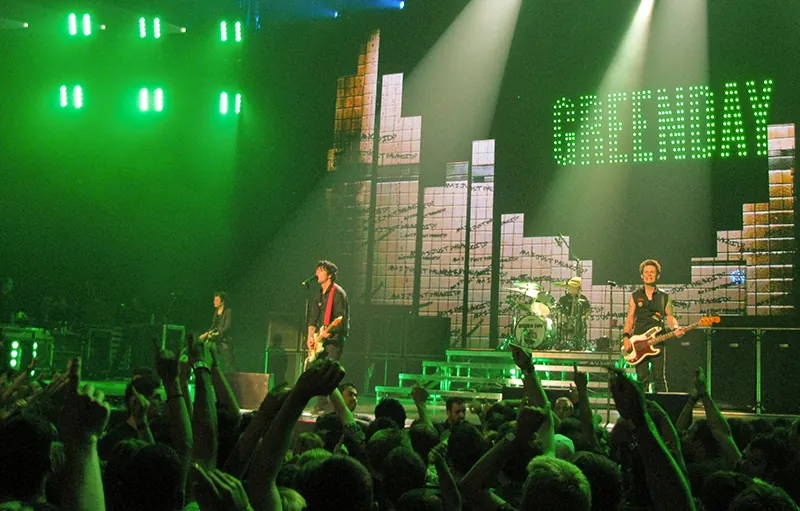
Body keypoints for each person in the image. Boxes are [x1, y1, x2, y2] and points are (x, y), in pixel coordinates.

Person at [622, 259, 683, 393]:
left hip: (658, 341)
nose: (649, 275)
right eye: (646, 272)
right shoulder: (635, 296)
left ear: (657, 275)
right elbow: (630, 318)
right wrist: (626, 337)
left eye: (652, 272)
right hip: (639, 342)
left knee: (659, 377)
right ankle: (642, 405)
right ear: (642, 275)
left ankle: (663, 404)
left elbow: (670, 317)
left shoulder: (664, 297)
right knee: (641, 378)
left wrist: (675, 328)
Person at [306, 261, 349, 363]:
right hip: (320, 340)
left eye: (321, 271)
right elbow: (313, 319)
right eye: (316, 271)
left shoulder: (338, 293)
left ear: (329, 275)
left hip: (334, 341)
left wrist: (330, 332)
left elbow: (341, 319)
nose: (317, 273)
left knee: (329, 369)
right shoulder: (319, 294)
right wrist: (310, 338)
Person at [199, 292, 234, 371]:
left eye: (217, 300)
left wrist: (218, 333)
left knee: (226, 357)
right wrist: (206, 334)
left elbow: (227, 327)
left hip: (224, 338)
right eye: (214, 300)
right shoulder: (216, 312)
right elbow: (213, 325)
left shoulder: (228, 311)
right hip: (216, 337)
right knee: (207, 346)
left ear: (222, 301)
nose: (214, 302)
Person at [556, 277, 591, 348]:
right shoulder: (563, 299)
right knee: (561, 327)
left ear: (578, 288)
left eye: (574, 287)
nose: (572, 289)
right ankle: (561, 343)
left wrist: (583, 317)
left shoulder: (583, 298)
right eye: (571, 287)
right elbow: (559, 310)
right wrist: (562, 317)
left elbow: (588, 310)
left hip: (578, 322)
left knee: (579, 327)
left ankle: (578, 345)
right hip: (565, 321)